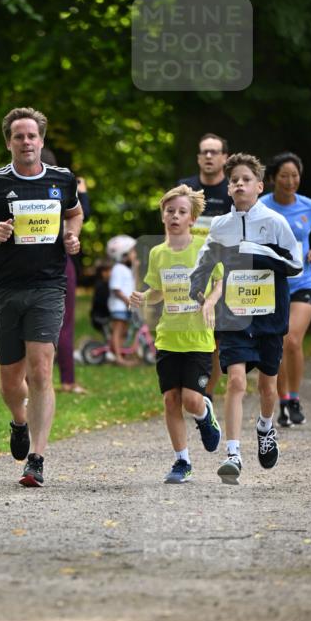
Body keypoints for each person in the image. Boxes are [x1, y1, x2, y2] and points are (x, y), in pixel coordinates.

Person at [0, 106, 83, 487]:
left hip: (48, 285)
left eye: (32, 136)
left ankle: (37, 459)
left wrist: (72, 235)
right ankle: (19, 421)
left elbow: (75, 214)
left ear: (41, 141)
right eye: (19, 136)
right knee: (12, 382)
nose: (26, 142)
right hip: (8, 288)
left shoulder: (62, 179)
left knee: (41, 370)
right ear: (9, 142)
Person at [189, 153, 302, 485]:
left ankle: (265, 427)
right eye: (234, 180)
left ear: (259, 186)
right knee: (236, 381)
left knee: (267, 386)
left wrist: (257, 249)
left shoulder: (276, 222)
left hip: (269, 316)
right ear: (228, 188)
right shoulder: (220, 227)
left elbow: (294, 265)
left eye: (245, 180)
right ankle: (233, 453)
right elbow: (202, 269)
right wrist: (201, 296)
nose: (239, 184)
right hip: (234, 319)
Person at [130, 185, 223, 484]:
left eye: (182, 212)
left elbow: (220, 281)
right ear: (163, 216)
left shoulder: (204, 248)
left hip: (197, 338)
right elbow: (159, 291)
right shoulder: (158, 253)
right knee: (171, 399)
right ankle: (182, 461)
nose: (175, 216)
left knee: (192, 401)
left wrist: (209, 301)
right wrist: (144, 297)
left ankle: (205, 413)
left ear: (192, 219)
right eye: (170, 211)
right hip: (168, 338)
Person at [261, 152, 311, 427]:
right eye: (284, 176)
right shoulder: (262, 206)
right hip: (272, 284)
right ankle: (284, 400)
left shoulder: (308, 206)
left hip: (303, 282)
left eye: (295, 175)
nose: (290, 181)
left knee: (292, 340)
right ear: (273, 179)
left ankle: (295, 397)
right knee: (277, 343)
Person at [179, 132, 231, 399]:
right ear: (199, 157)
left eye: (214, 152)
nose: (209, 156)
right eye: (204, 152)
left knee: (216, 340)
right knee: (192, 333)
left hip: (224, 275)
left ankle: (207, 393)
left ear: (225, 157)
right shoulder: (185, 189)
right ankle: (192, 386)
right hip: (191, 274)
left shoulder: (232, 191)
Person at [41, 148, 90, 394]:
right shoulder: (63, 189)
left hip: (35, 261)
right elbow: (84, 215)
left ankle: (32, 381)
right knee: (64, 324)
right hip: (60, 261)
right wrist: (83, 193)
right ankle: (67, 380)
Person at [106, 235, 137, 365]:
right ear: (123, 254)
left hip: (125, 306)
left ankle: (120, 354)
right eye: (132, 251)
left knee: (124, 331)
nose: (135, 254)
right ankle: (117, 357)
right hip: (119, 306)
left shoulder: (125, 269)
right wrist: (127, 301)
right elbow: (116, 289)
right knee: (118, 331)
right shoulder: (118, 269)